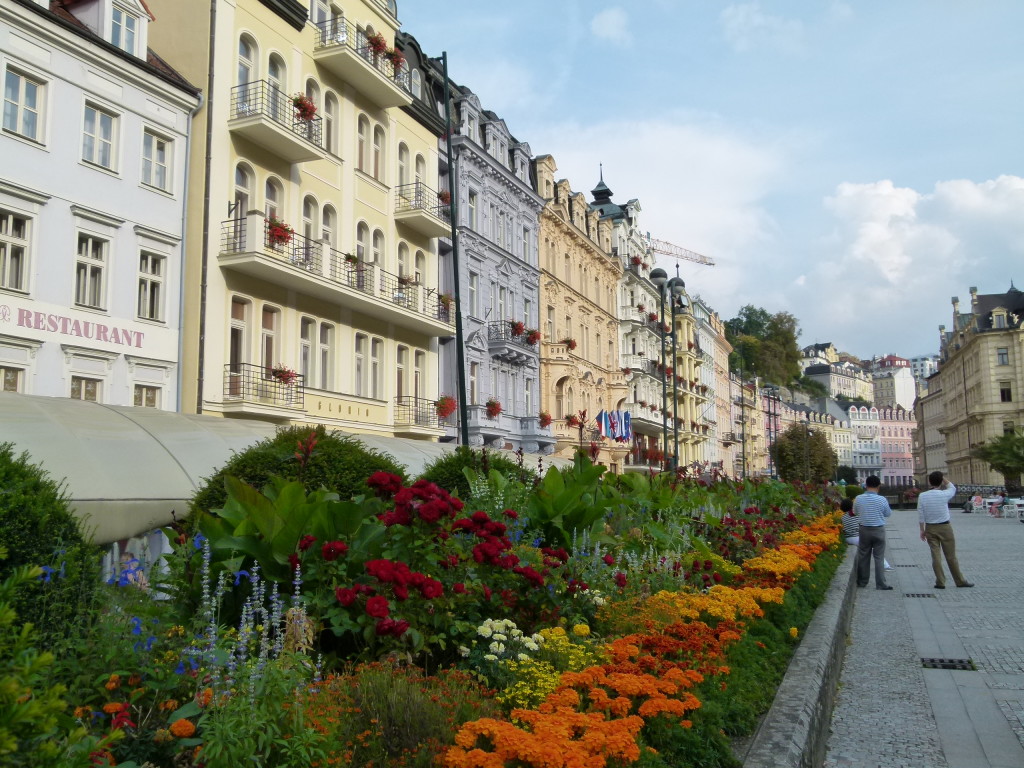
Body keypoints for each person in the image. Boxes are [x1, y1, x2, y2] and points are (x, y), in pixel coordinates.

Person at [917, 471, 973, 589]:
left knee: (935, 556)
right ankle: (959, 580)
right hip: (945, 527)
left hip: (930, 527)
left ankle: (940, 582)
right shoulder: (944, 494)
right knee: (951, 556)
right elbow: (952, 487)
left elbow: (921, 514)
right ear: (941, 481)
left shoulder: (922, 496)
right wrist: (943, 479)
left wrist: (922, 530)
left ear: (929, 482)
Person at [853, 476, 894, 589]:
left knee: (863, 555)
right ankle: (881, 583)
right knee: (879, 557)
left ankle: (862, 582)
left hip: (864, 529)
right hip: (878, 530)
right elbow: (888, 514)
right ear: (878, 486)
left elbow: (855, 512)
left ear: (866, 485)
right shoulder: (882, 499)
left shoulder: (858, 498)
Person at [841, 498, 892, 569]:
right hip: (857, 537)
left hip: (848, 538)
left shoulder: (843, 517)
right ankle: (886, 566)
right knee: (874, 549)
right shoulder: (856, 515)